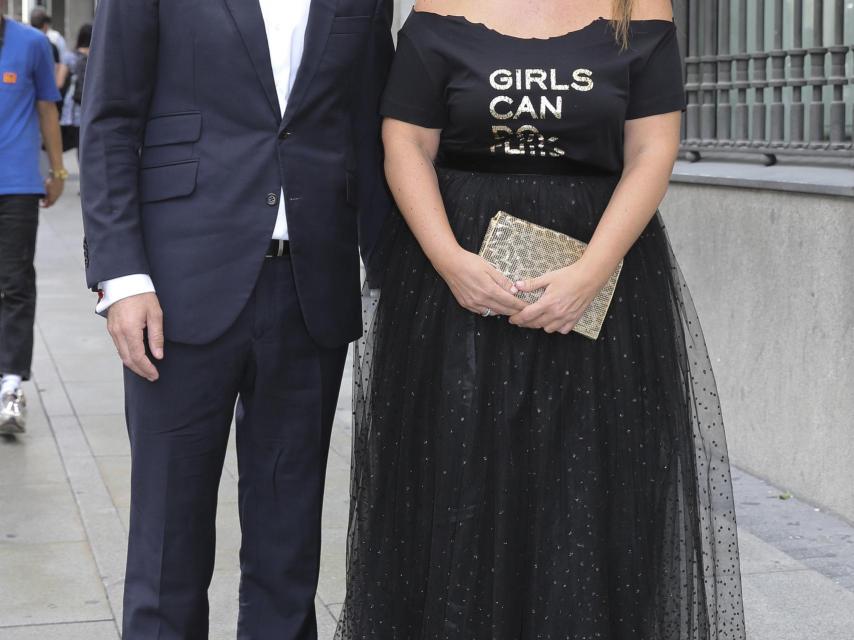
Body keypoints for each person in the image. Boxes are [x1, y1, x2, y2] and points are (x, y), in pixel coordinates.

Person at [336, 1, 746, 639]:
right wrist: (449, 260)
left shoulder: (638, 9)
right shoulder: (439, 7)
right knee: (460, 484)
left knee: (586, 494)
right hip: (458, 289)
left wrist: (591, 273)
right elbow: (406, 142)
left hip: (602, 284)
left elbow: (652, 148)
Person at [79, 0, 393, 637]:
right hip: (176, 288)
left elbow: (367, 124)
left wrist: (391, 275)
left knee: (290, 536)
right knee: (168, 539)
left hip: (312, 287)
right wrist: (121, 276)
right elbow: (110, 120)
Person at [0, 4, 66, 434]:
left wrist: (58, 170)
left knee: (15, 283)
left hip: (18, 184)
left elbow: (47, 109)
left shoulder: (33, 44)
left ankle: (10, 386)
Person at [59, 23, 90, 153]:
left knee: (77, 140)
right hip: (91, 103)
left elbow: (59, 83)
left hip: (73, 106)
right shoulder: (98, 55)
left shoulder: (70, 57)